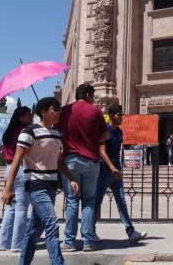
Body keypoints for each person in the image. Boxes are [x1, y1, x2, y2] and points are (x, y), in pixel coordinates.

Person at [1, 97, 79, 265]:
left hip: (50, 186)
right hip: (36, 185)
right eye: (54, 109)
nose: (58, 113)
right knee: (51, 223)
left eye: (59, 110)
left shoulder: (56, 133)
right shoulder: (29, 132)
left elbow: (58, 161)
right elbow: (16, 160)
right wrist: (8, 187)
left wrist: (71, 178)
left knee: (33, 231)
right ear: (43, 112)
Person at [58, 84, 108, 252]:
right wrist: (94, 141)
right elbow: (106, 134)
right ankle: (88, 241)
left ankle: (69, 242)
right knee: (89, 202)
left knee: (72, 202)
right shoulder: (95, 111)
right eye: (92, 95)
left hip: (70, 160)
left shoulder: (64, 111)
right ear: (88, 94)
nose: (93, 98)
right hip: (91, 161)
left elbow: (56, 132)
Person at [93, 104, 146, 244]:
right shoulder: (105, 130)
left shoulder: (120, 132)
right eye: (119, 115)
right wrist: (112, 168)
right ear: (111, 115)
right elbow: (101, 151)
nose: (121, 117)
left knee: (121, 201)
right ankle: (90, 231)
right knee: (96, 202)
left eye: (121, 114)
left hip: (116, 172)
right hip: (105, 172)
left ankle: (131, 232)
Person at [0, 106, 33, 252]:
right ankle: (17, 244)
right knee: (21, 208)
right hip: (19, 169)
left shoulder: (9, 131)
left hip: (9, 168)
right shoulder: (24, 131)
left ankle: (3, 243)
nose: (31, 117)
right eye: (28, 115)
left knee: (11, 208)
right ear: (21, 117)